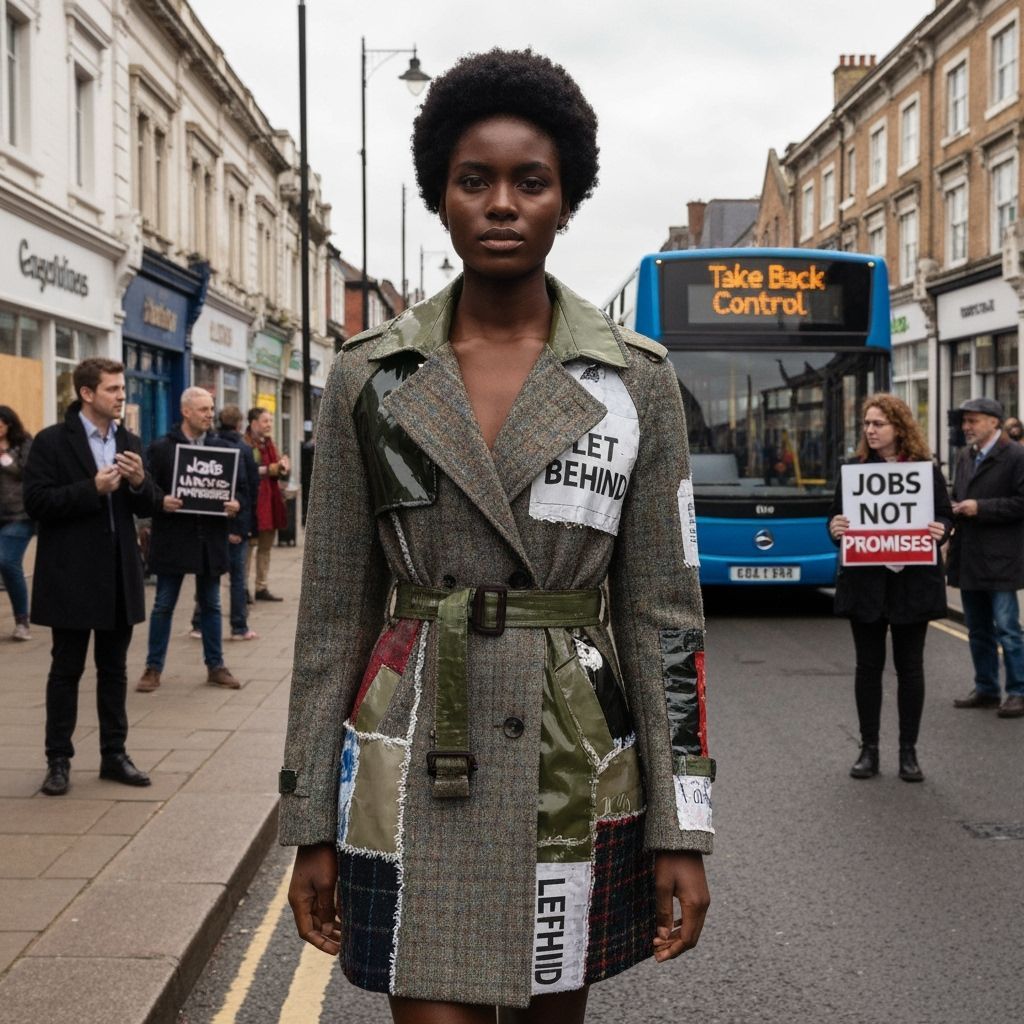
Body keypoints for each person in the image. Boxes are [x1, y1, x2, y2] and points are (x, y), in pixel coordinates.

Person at [278, 49, 713, 1023]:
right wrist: (307, 815)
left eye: (532, 181)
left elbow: (663, 619)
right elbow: (331, 614)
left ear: (567, 199)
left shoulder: (629, 380)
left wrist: (684, 824)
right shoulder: (372, 375)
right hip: (413, 738)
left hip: (571, 749)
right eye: (475, 180)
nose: (503, 203)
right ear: (441, 197)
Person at [22, 358, 158, 795]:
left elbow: (149, 504)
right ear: (86, 393)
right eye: (113, 389)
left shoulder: (129, 439)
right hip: (72, 577)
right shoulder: (51, 442)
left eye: (122, 389)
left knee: (114, 671)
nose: (121, 396)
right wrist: (90, 490)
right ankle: (58, 759)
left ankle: (113, 755)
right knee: (66, 671)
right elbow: (37, 503)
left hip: (119, 576)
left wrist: (139, 483)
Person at [827, 394, 952, 781]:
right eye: (867, 423)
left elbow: (945, 515)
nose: (870, 430)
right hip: (865, 585)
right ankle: (869, 750)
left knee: (910, 669)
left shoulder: (925, 472)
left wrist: (942, 529)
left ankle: (908, 753)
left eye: (878, 423)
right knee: (868, 668)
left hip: (912, 585)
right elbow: (837, 520)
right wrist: (835, 529)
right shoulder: (854, 470)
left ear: (899, 426)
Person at [137, 387, 241, 692]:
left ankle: (216, 666)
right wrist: (161, 501)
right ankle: (152, 668)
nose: (210, 414)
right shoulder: (161, 449)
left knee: (211, 604)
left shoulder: (223, 449)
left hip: (209, 540)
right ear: (186, 411)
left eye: (211, 409)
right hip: (173, 538)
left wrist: (237, 506)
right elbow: (145, 489)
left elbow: (241, 490)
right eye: (203, 409)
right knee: (163, 604)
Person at [947, 396, 1024, 718]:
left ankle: (1018, 692)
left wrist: (981, 507)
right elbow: (955, 496)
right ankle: (987, 688)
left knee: (1007, 628)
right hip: (969, 555)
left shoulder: (1016, 456)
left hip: (1001, 557)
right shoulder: (965, 456)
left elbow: (1022, 503)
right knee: (977, 628)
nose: (966, 427)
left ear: (994, 421)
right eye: (964, 421)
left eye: (973, 421)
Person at [190, 405, 258, 641]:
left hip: (212, 526)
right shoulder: (244, 449)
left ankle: (198, 623)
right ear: (239, 424)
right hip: (234, 523)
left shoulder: (209, 445)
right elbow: (248, 491)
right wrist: (243, 527)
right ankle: (239, 626)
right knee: (237, 578)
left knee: (209, 575)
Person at [243, 407, 288, 602]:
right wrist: (271, 468)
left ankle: (261, 587)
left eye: (270, 421)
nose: (269, 425)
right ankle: (242, 588)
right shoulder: (245, 443)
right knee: (249, 548)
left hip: (270, 501)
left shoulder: (269, 443)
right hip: (254, 502)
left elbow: (276, 466)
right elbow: (249, 469)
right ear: (253, 423)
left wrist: (283, 467)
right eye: (265, 421)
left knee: (265, 548)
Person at [0, 406, 34, 640]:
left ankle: (22, 621)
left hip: (20, 514)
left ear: (9, 424)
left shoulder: (24, 444)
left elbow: (27, 471)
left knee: (7, 561)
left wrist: (3, 457)